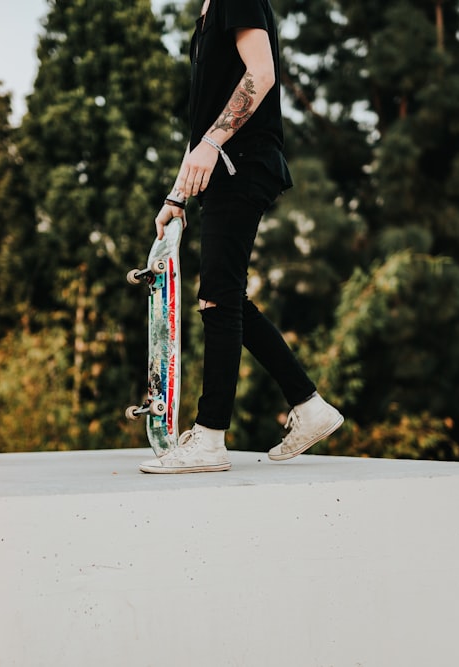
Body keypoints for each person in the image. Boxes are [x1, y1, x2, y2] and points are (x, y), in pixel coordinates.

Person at [139, 0, 343, 473]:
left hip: (244, 161)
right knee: (225, 295)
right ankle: (309, 406)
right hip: (226, 166)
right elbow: (204, 121)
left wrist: (212, 145)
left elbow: (262, 73)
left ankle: (210, 438)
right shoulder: (209, 13)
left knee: (217, 299)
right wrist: (177, 196)